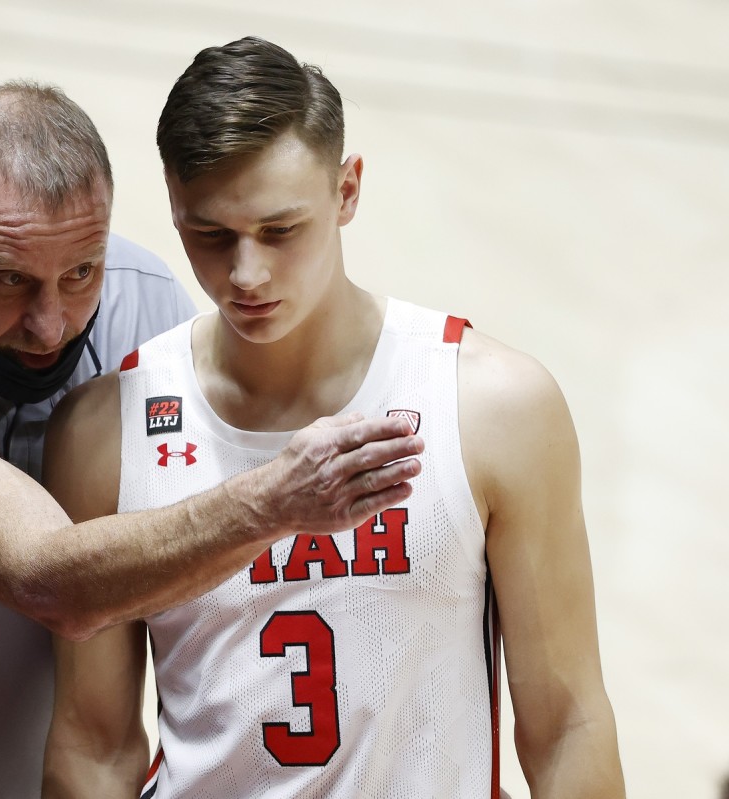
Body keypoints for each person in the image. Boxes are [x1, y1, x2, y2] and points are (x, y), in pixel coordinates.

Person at [0, 80, 426, 799]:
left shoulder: (141, 302)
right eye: (9, 279)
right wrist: (272, 503)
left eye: (82, 271)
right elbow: (48, 581)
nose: (50, 324)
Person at [42, 37, 625, 799]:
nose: (245, 274)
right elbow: (94, 743)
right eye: (210, 235)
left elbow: (567, 724)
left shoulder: (494, 405)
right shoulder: (103, 431)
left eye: (280, 231)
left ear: (347, 191)